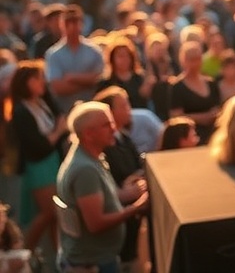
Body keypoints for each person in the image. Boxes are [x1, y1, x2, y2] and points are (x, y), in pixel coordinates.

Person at [54, 102, 148, 273]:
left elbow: (106, 198)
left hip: (102, 259)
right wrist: (136, 208)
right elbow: (96, 223)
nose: (114, 129)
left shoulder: (94, 158)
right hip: (93, 265)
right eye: (107, 125)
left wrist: (128, 192)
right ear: (88, 134)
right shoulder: (85, 170)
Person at [7, 61, 67, 257]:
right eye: (38, 78)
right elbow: (39, 145)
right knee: (49, 212)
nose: (43, 82)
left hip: (52, 161)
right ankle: (26, 252)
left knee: (55, 217)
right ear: (26, 82)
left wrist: (57, 132)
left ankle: (59, 258)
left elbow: (60, 116)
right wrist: (58, 131)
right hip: (39, 166)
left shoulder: (42, 101)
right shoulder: (20, 111)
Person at [92, 87, 145, 272]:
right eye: (123, 106)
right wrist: (125, 191)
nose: (129, 109)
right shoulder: (103, 148)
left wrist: (135, 178)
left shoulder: (124, 138)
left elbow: (139, 167)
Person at [44, 4, 105, 114]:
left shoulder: (94, 51)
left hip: (92, 111)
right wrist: (88, 83)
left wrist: (73, 77)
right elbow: (57, 87)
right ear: (61, 24)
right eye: (68, 22)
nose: (72, 26)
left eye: (75, 21)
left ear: (82, 23)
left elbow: (100, 79)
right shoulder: (53, 54)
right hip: (65, 111)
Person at [167, 41, 220, 145]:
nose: (195, 63)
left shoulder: (211, 83)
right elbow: (176, 116)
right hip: (191, 139)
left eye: (198, 58)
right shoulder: (177, 87)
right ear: (183, 61)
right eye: (191, 59)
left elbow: (217, 108)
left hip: (213, 136)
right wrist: (204, 117)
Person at [95, 35, 153, 111]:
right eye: (120, 56)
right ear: (112, 59)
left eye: (127, 56)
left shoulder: (141, 79)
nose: (124, 59)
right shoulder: (105, 83)